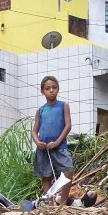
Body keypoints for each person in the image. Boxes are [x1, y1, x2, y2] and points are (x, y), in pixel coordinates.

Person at [31, 75, 73, 204]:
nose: (51, 90)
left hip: (59, 147)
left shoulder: (63, 106)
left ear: (58, 89)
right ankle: (49, 203)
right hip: (43, 149)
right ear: (42, 91)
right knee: (46, 176)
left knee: (68, 171)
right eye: (47, 88)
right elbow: (34, 131)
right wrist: (37, 142)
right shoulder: (40, 110)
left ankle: (63, 202)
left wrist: (57, 142)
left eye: (54, 87)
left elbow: (68, 125)